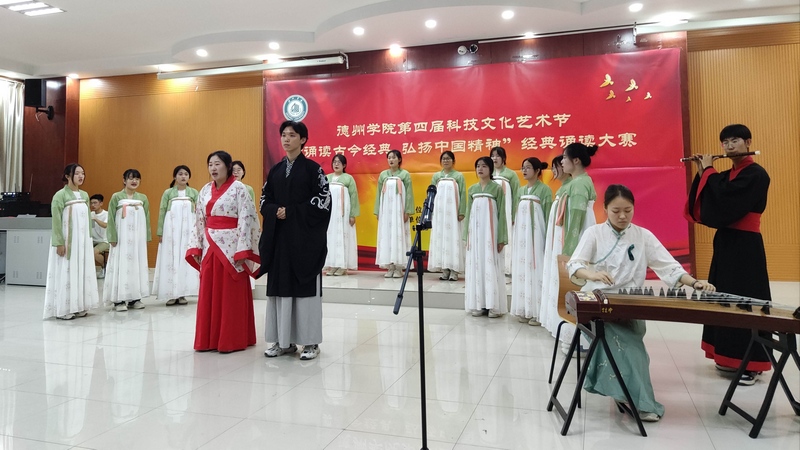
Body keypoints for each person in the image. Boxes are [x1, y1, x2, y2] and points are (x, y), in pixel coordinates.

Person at [568, 184, 715, 422]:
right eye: (616, 211)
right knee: (625, 346)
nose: (622, 216)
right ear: (605, 209)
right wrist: (592, 275)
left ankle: (625, 393)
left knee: (632, 346)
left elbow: (668, 266)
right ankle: (640, 402)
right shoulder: (594, 233)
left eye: (628, 210)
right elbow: (575, 264)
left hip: (630, 304)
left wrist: (694, 282)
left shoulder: (643, 236)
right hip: (597, 304)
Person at [686, 124, 771, 386]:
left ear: (748, 142)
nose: (729, 146)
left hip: (746, 246)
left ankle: (751, 363)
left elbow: (727, 200)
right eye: (725, 142)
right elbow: (713, 196)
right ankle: (727, 354)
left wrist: (708, 171)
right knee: (723, 296)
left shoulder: (756, 174)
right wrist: (702, 171)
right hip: (725, 243)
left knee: (745, 299)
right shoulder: (726, 175)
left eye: (735, 140)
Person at [260, 121, 331, 360]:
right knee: (281, 288)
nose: (286, 139)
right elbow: (264, 200)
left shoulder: (313, 170)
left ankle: (310, 342)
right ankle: (283, 341)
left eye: (292, 135)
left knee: (305, 289)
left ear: (303, 140)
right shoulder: (275, 171)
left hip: (305, 241)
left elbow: (323, 201)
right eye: (283, 135)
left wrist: (291, 211)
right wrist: (275, 211)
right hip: (280, 241)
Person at [186, 151, 260, 353]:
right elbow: (199, 219)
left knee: (230, 293)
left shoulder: (239, 189)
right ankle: (208, 340)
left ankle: (232, 339)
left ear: (228, 166)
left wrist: (243, 248)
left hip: (232, 247)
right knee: (209, 291)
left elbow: (247, 218)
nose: (213, 168)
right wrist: (197, 245)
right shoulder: (204, 190)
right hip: (210, 245)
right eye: (210, 164)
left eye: (217, 163)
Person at [43, 164, 100, 320]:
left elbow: (86, 219)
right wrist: (59, 242)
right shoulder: (60, 195)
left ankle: (79, 305)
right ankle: (64, 308)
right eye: (77, 173)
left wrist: (89, 240)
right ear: (67, 176)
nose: (81, 176)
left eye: (83, 173)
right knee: (67, 270)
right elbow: (56, 221)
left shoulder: (85, 195)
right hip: (68, 241)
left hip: (82, 241)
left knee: (80, 270)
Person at [463, 156, 507, 318]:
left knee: (490, 264)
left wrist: (501, 238)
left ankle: (493, 305)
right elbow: (468, 214)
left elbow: (502, 214)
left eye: (484, 166)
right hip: (475, 235)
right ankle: (479, 304)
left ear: (490, 169)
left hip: (491, 235)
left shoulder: (497, 189)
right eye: (478, 166)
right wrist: (466, 235)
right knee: (477, 265)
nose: (480, 169)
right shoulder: (472, 189)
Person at [510, 157, 553, 325]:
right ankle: (524, 309)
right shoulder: (521, 191)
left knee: (536, 270)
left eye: (528, 167)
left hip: (537, 238)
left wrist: (548, 238)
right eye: (523, 167)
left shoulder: (545, 190)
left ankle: (537, 312)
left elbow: (548, 215)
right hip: (522, 238)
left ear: (537, 171)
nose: (524, 170)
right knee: (522, 270)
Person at [103, 169, 151, 311]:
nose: (134, 181)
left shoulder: (143, 198)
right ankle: (119, 300)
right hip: (121, 239)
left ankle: (134, 298)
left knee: (136, 264)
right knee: (121, 264)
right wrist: (112, 237)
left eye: (137, 178)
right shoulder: (116, 197)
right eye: (130, 178)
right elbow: (111, 218)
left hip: (137, 239)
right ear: (124, 180)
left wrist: (146, 237)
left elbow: (147, 218)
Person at [152, 165, 199, 306]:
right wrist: (160, 232)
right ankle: (171, 293)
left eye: (186, 174)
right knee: (171, 257)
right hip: (171, 230)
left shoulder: (194, 193)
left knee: (185, 257)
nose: (183, 176)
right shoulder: (168, 193)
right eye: (180, 174)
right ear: (175, 177)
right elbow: (162, 211)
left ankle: (183, 293)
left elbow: (199, 212)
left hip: (188, 230)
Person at [539, 155, 571, 336]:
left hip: (562, 242)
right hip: (555, 241)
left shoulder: (573, 188)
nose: (554, 170)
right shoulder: (561, 189)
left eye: (557, 166)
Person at [374, 149, 415, 278]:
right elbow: (378, 194)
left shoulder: (404, 174)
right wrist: (378, 211)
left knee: (398, 235)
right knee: (387, 235)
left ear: (399, 160)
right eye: (389, 157)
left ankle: (398, 267)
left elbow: (409, 194)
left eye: (394, 157)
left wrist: (407, 211)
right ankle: (390, 266)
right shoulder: (383, 175)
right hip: (386, 211)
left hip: (399, 211)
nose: (391, 160)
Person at [427, 150, 466, 281]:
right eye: (443, 159)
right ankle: (444, 269)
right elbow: (431, 195)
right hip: (440, 214)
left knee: (453, 238)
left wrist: (461, 212)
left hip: (453, 214)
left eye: (448, 159)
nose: (446, 161)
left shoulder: (459, 176)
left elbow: (463, 194)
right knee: (441, 239)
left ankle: (454, 270)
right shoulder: (436, 176)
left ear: (453, 161)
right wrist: (431, 211)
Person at [324, 154, 359, 276]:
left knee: (342, 236)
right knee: (330, 237)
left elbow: (354, 196)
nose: (336, 164)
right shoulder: (327, 178)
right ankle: (332, 264)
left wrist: (352, 214)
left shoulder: (348, 178)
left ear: (344, 165)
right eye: (334, 162)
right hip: (330, 214)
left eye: (339, 162)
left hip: (343, 214)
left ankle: (342, 266)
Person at [490, 146, 520, 276]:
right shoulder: (488, 173)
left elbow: (516, 195)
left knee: (506, 235)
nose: (494, 158)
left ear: (504, 158)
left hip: (506, 212)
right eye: (492, 156)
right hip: (491, 212)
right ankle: (492, 265)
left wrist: (514, 215)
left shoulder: (511, 174)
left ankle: (506, 267)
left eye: (497, 156)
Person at [89, 194, 109, 278]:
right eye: (91, 203)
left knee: (93, 252)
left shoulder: (106, 214)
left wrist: (96, 219)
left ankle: (105, 267)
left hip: (104, 241)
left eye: (95, 203)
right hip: (92, 240)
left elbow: (105, 225)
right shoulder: (90, 214)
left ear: (101, 203)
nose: (93, 205)